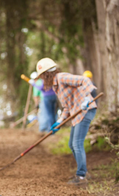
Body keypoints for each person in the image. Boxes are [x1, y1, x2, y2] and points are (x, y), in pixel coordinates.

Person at [36, 57, 97, 185]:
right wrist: (59, 122)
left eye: (42, 76)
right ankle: (84, 172)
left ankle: (81, 176)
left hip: (86, 110)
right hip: (76, 113)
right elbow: (67, 107)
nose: (41, 80)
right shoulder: (56, 86)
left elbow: (85, 80)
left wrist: (87, 98)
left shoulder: (62, 77)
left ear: (47, 74)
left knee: (77, 144)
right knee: (72, 144)